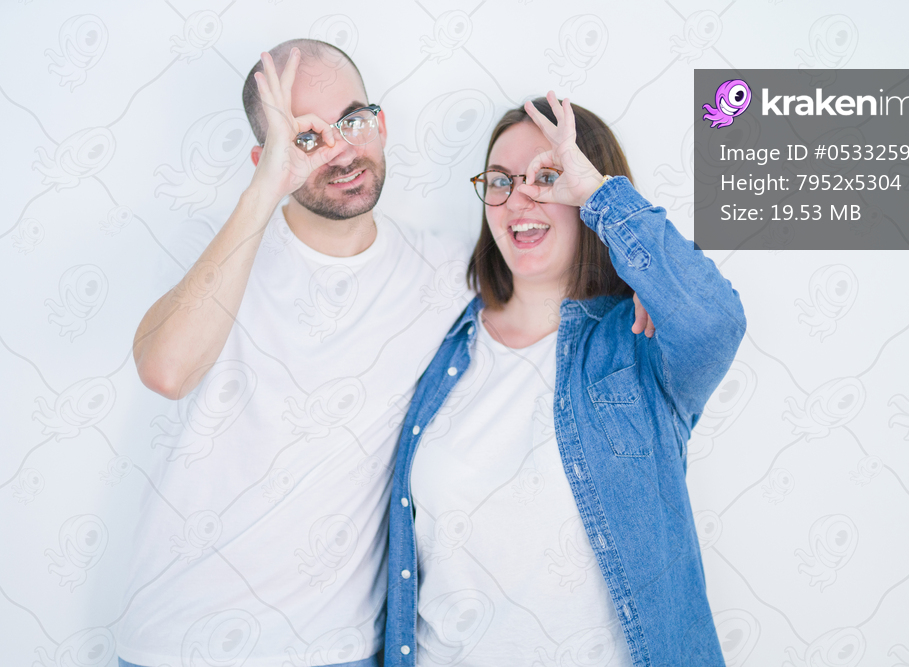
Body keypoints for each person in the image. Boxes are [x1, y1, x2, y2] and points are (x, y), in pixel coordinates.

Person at [121, 40, 651, 666]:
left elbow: (545, 268)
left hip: (340, 650)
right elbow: (166, 371)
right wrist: (263, 195)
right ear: (267, 159)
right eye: (306, 138)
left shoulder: (449, 271)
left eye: (351, 120)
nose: (342, 150)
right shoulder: (229, 265)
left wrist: (639, 276)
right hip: (182, 642)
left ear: (379, 122)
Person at [384, 92, 747, 666]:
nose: (519, 199)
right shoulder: (444, 343)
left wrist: (602, 197)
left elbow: (715, 321)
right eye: (500, 181)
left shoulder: (635, 346)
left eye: (548, 176)